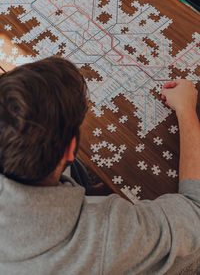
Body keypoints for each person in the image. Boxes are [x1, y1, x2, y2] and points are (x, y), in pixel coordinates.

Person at [0, 56, 199, 275]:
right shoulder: (106, 234)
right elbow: (195, 212)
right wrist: (186, 109)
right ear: (70, 148)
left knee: (79, 175)